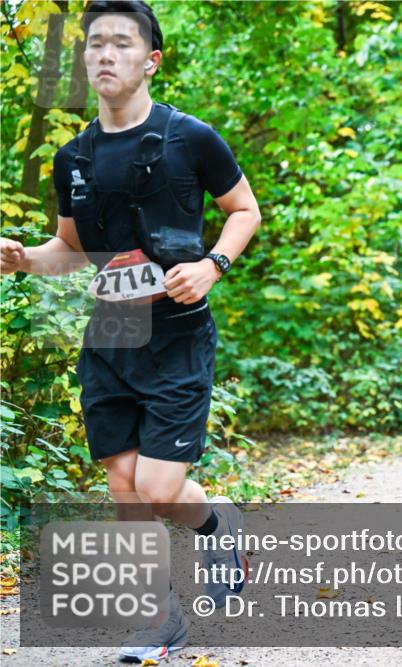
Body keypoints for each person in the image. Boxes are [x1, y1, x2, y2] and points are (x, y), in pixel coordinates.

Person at [0, 2, 261, 661]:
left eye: (121, 43)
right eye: (94, 44)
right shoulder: (73, 158)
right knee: (123, 484)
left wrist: (212, 264)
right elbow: (69, 249)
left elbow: (243, 210)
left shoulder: (189, 138)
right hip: (109, 337)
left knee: (159, 488)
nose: (105, 54)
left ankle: (217, 521)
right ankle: (158, 619)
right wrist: (27, 259)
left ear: (151, 59)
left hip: (176, 337)